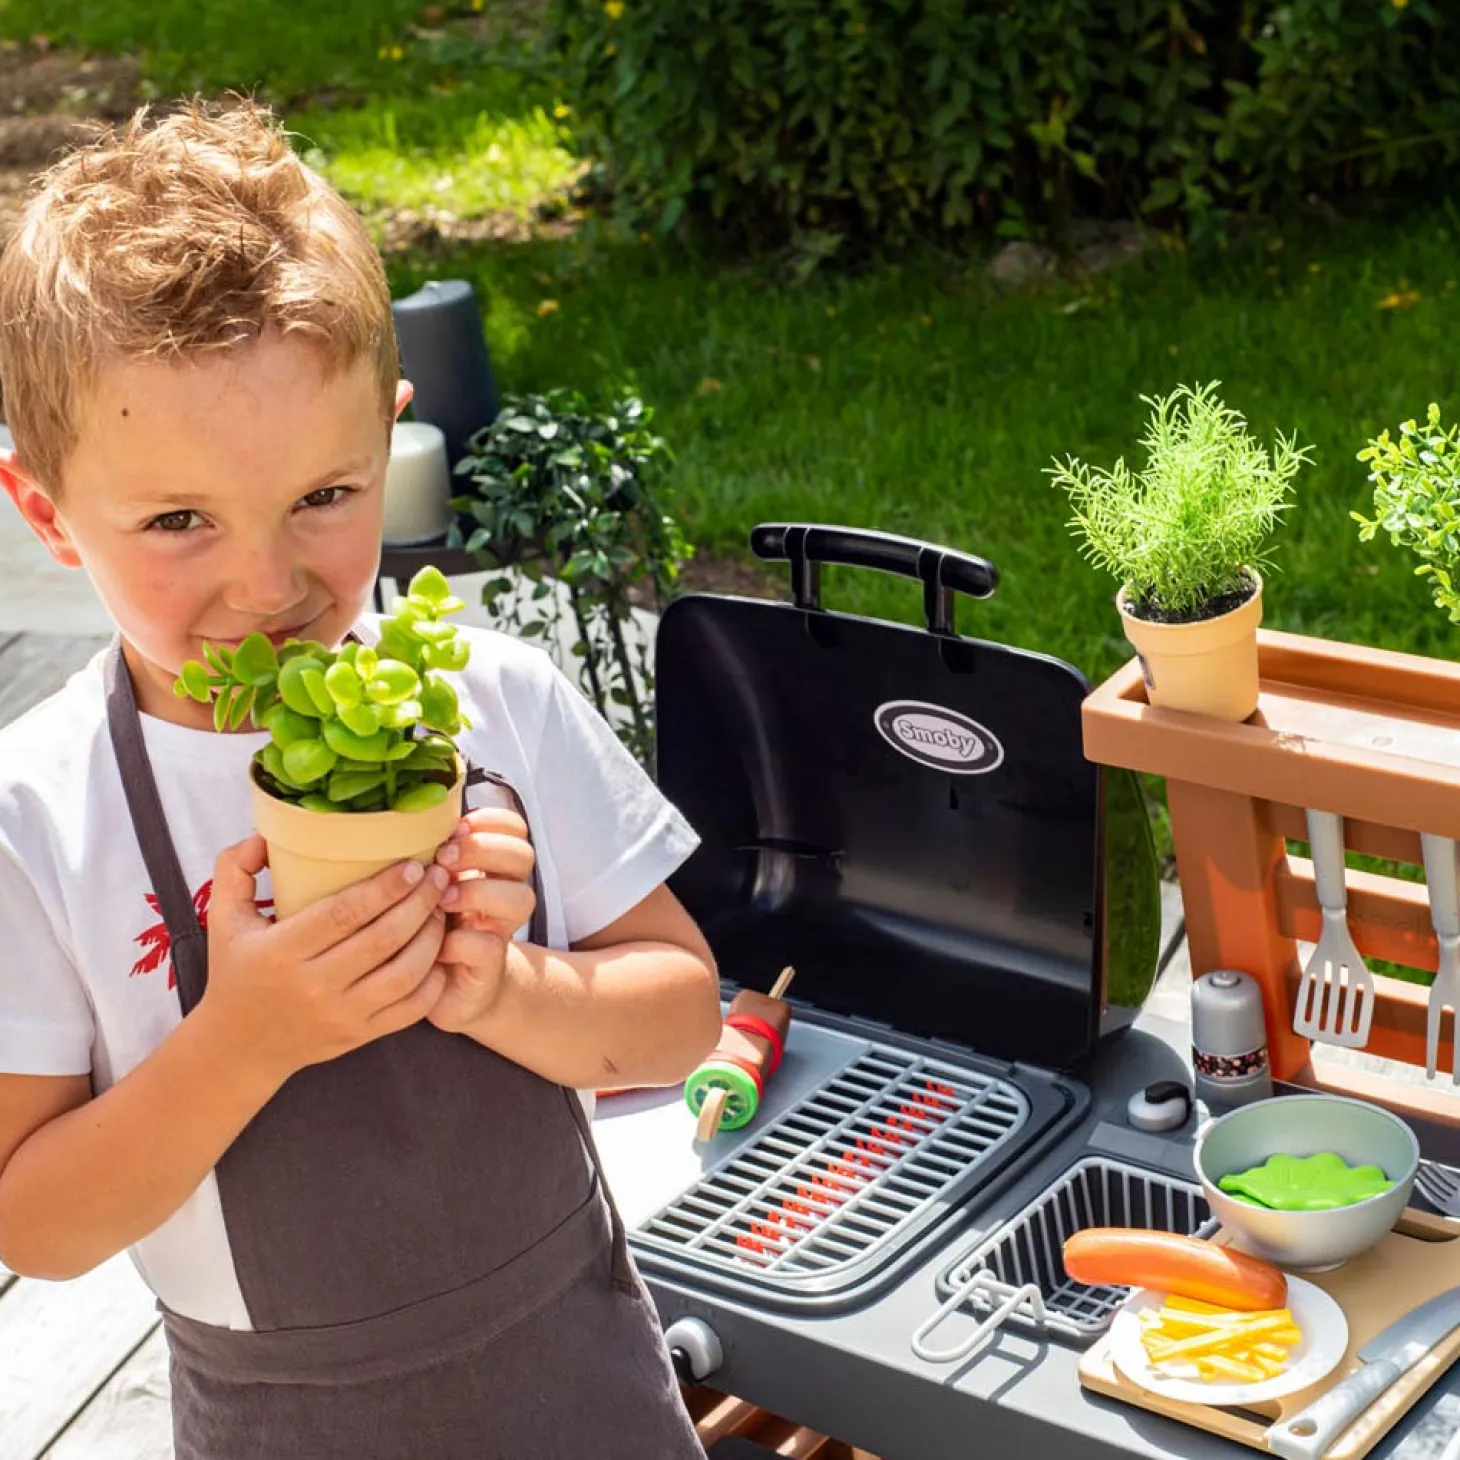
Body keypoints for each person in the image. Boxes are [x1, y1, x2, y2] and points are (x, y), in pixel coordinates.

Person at [0, 98, 722, 1459]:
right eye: (175, 522)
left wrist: (511, 988)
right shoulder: (40, 815)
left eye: (323, 499)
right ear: (45, 512)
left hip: (577, 1374)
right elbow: (34, 1223)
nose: (266, 586)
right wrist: (245, 1034)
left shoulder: (493, 698)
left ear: (386, 447)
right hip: (284, 1423)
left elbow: (682, 1016)